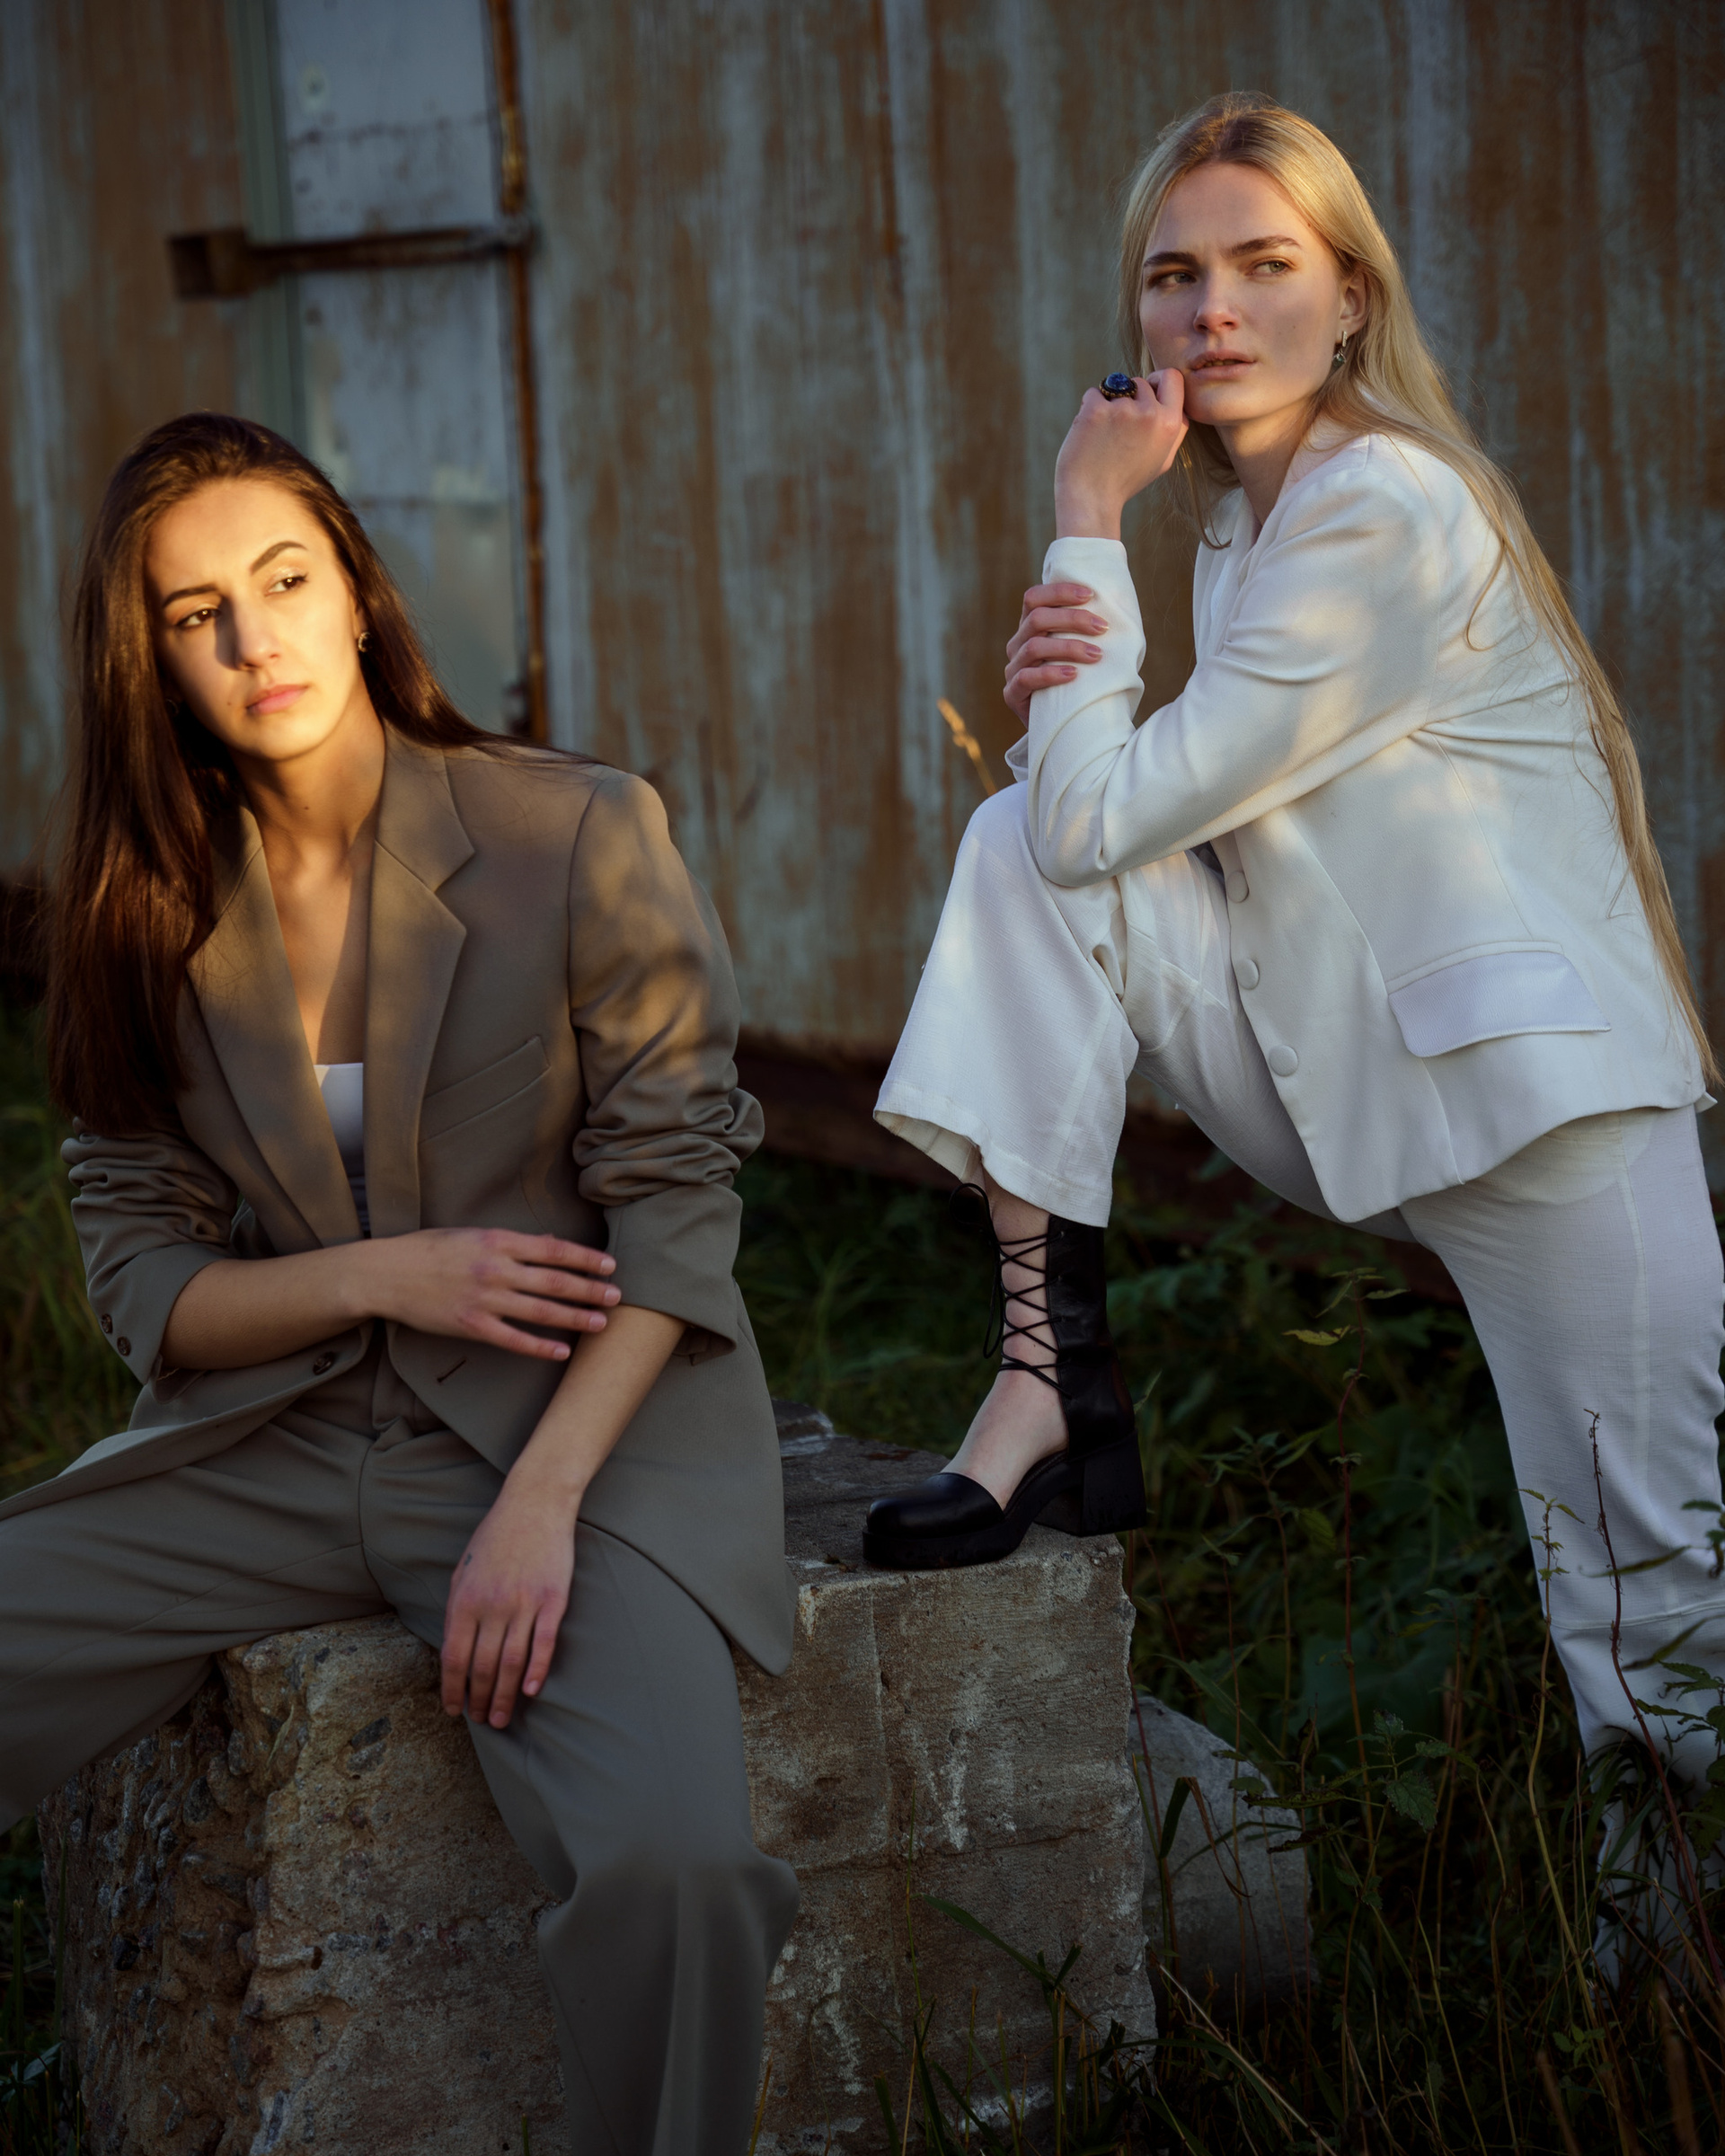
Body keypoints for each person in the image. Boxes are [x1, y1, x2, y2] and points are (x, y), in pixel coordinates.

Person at [867, 93, 1725, 1833]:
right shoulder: (1243, 528)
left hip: (1543, 1119)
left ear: (1351, 298)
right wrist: (1083, 670)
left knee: (1648, 1622)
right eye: (1174, 276)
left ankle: (1666, 1967)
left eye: (1265, 265)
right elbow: (1091, 831)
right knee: (1011, 843)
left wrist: (1083, 519)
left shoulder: (1383, 508)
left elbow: (1108, 813)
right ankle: (1048, 1376)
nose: (1213, 311)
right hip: (1352, 1078)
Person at [0, 412, 797, 2153]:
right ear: (150, 660)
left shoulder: (572, 832)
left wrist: (542, 1508)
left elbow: (676, 1217)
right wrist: (391, 1270)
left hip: (566, 1432)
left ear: (356, 592)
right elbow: (147, 1289)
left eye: (285, 580)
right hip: (274, 1443)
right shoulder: (138, 908)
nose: (254, 639)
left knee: (676, 1874)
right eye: (195, 613)